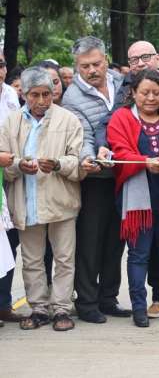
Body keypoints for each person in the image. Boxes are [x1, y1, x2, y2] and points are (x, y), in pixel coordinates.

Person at [0, 67, 84, 331]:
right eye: (34, 95)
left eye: (46, 94)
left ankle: (61, 309)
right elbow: (3, 160)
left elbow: (79, 162)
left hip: (61, 201)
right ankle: (38, 309)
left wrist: (58, 164)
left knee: (64, 258)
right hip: (26, 202)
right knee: (33, 260)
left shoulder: (68, 120)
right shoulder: (11, 122)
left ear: (53, 93)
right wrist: (17, 167)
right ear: (23, 94)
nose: (41, 101)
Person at [107, 69, 159, 328]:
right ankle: (139, 305)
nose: (151, 98)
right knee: (138, 253)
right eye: (145, 93)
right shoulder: (121, 117)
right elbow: (119, 152)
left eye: (157, 93)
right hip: (137, 197)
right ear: (133, 93)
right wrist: (145, 162)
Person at [63, 36, 130, 323]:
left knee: (117, 241)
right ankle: (87, 302)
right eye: (85, 66)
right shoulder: (72, 97)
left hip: (126, 175)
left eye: (97, 64)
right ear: (77, 67)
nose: (92, 70)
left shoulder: (122, 83)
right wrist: (90, 157)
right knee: (90, 242)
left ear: (106, 60)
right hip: (95, 178)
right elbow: (83, 136)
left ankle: (108, 297)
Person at [0, 52, 22, 324]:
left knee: (9, 242)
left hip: (10, 178)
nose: (0, 70)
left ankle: (3, 303)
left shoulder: (10, 95)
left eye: (2, 64)